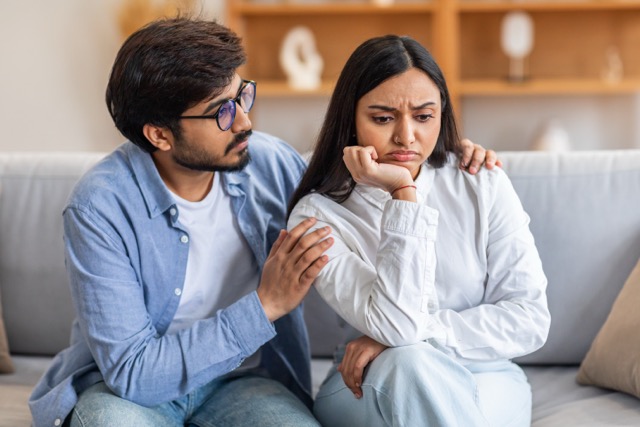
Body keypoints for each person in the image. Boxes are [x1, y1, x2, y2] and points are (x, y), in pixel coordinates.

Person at [28, 18, 499, 427]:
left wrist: (449, 156)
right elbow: (134, 373)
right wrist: (265, 305)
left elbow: (371, 165)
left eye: (242, 96)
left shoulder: (270, 164)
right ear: (159, 134)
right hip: (132, 394)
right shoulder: (99, 209)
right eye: (222, 112)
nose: (245, 122)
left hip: (247, 382)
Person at [287, 35, 550, 427]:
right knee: (407, 362)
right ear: (350, 119)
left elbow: (530, 318)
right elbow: (398, 326)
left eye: (424, 117)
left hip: (485, 373)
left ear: (442, 115)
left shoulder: (481, 181)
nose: (406, 137)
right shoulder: (318, 216)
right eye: (382, 118)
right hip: (368, 380)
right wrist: (402, 193)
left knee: (410, 355)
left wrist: (418, 335)